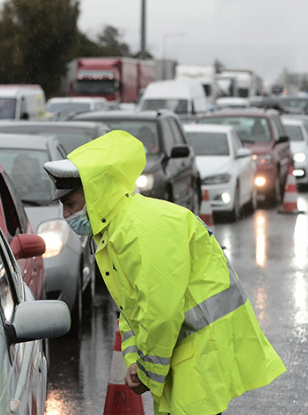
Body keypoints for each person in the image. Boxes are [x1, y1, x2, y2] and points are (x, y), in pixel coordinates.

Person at [44, 130, 285, 415]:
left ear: (96, 196)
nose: (66, 215)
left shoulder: (140, 231)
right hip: (184, 352)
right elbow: (132, 310)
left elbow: (160, 313)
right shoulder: (115, 231)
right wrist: (135, 361)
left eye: (70, 205)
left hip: (200, 352)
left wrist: (145, 373)